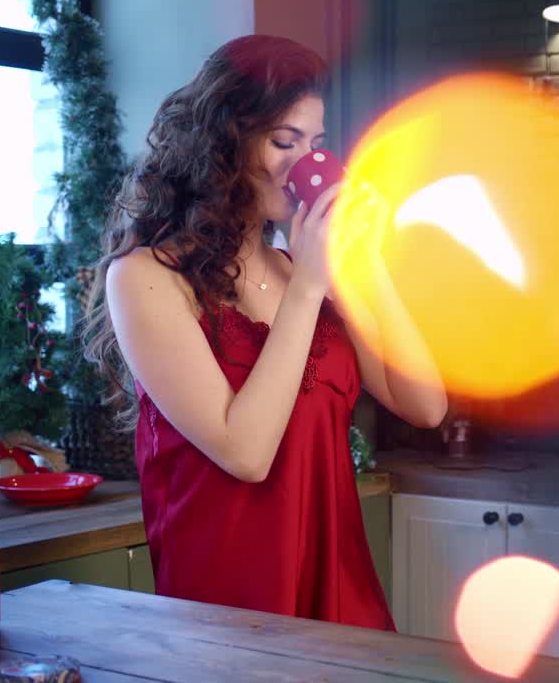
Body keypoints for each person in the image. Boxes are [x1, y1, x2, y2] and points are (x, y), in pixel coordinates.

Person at [81, 35, 447, 631]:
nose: (305, 162)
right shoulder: (146, 277)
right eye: (284, 141)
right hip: (227, 609)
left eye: (316, 144)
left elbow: (425, 404)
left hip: (340, 593)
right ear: (224, 144)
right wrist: (309, 284)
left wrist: (364, 259)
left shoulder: (303, 270)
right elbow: (245, 454)